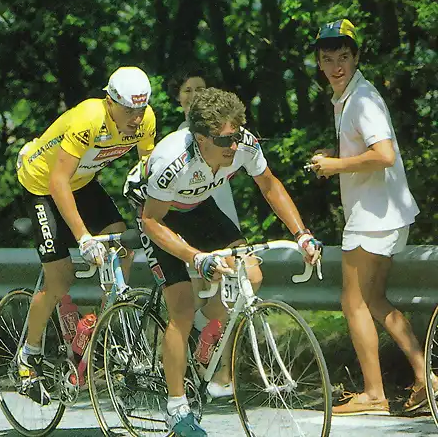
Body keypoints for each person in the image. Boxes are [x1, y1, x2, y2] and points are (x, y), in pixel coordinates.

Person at [124, 87, 321, 436]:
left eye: (235, 137)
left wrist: (301, 234)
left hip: (200, 207)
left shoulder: (242, 142)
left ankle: (210, 334)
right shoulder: (173, 160)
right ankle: (176, 408)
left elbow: (269, 184)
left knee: (251, 272)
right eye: (224, 140)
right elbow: (152, 222)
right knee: (182, 308)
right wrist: (195, 258)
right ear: (200, 138)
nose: (234, 147)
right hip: (159, 215)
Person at [15, 66, 156, 405]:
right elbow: (57, 182)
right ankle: (28, 355)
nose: (137, 119)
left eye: (141, 110)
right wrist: (83, 237)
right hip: (41, 184)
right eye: (129, 111)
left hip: (83, 181)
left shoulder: (146, 118)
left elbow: (149, 169)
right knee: (60, 280)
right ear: (110, 102)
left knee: (122, 243)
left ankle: (101, 320)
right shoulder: (88, 118)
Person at [309, 19, 428, 416]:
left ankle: (374, 393)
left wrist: (333, 165)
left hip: (373, 217)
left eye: (344, 56)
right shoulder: (350, 97)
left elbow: (384, 155)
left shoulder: (361, 100)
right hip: (389, 214)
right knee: (374, 299)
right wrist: (334, 163)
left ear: (356, 57)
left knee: (353, 302)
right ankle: (426, 377)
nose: (336, 65)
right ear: (320, 64)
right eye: (328, 59)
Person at [166, 69, 251, 399]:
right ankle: (194, 372)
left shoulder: (226, 132)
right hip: (187, 220)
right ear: (178, 97)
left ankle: (223, 371)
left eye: (201, 89)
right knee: (199, 290)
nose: (195, 95)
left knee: (228, 295)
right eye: (188, 90)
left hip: (219, 215)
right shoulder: (179, 140)